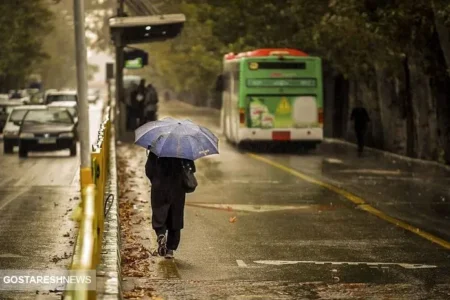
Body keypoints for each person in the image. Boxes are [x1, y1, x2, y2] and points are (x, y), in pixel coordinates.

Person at [145, 150, 196, 259]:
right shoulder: (184, 149)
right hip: (177, 187)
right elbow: (191, 168)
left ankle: (161, 234)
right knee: (175, 216)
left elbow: (149, 169)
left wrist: (155, 180)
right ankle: (170, 249)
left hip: (159, 185)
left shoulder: (157, 148)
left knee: (159, 213)